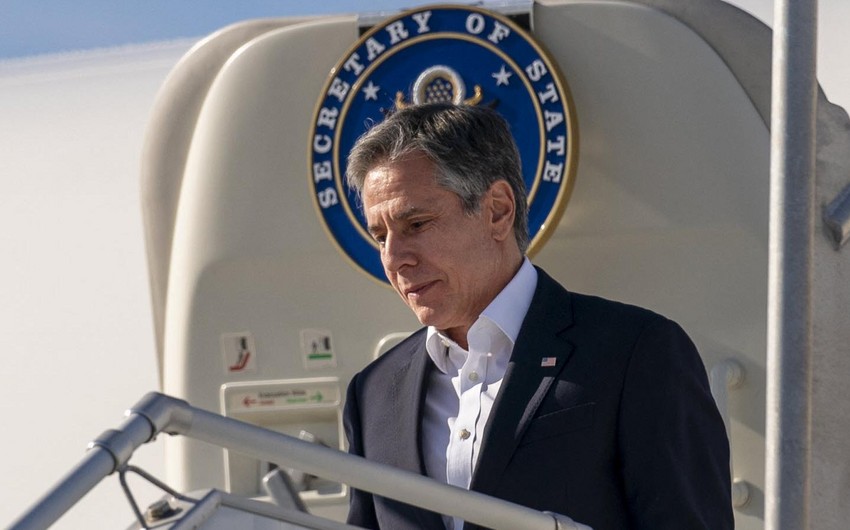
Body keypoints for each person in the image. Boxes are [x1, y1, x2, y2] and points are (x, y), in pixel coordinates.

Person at [342, 103, 733, 530]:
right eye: (380, 237)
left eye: (416, 224)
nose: (394, 258)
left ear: (498, 210)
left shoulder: (637, 353)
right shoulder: (372, 393)